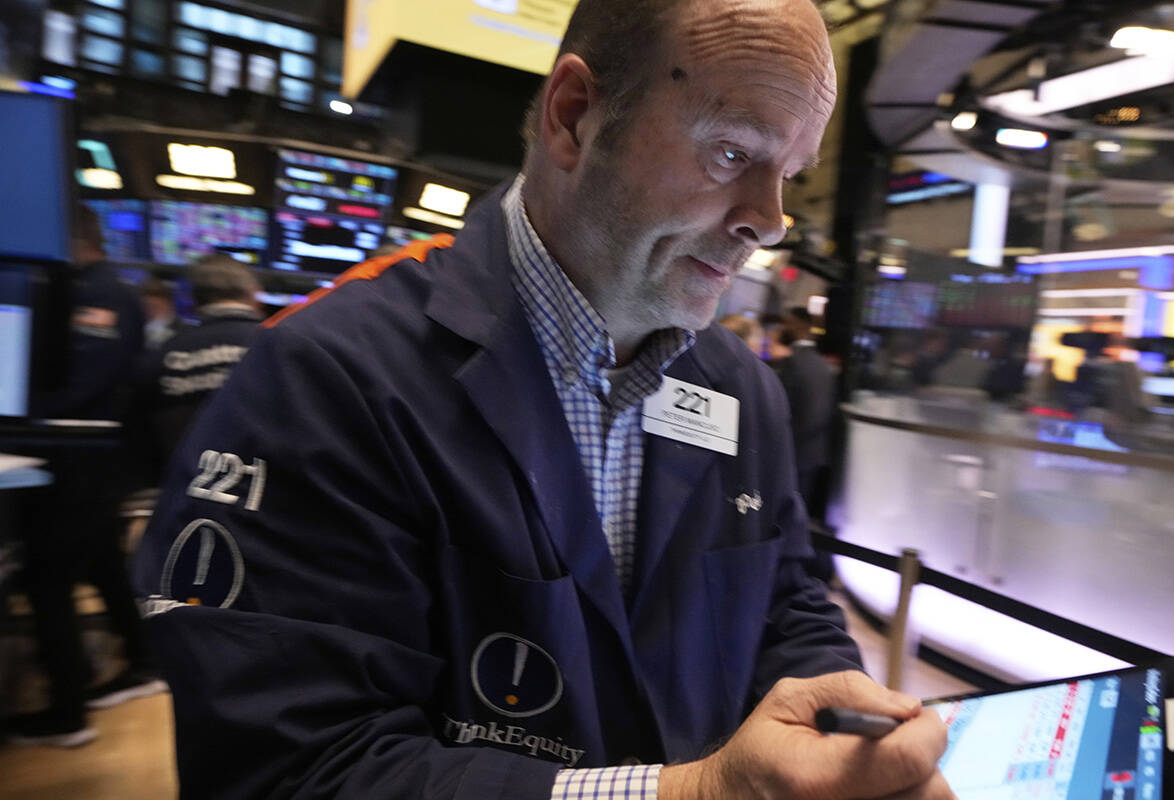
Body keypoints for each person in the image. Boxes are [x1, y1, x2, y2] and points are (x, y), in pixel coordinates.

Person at [133, 1, 953, 797]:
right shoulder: (330, 378)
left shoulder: (743, 389)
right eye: (733, 154)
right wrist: (691, 795)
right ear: (573, 116)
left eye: (793, 176)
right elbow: (295, 768)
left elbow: (785, 601)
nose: (770, 222)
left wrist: (847, 737)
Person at [8, 205, 165, 747]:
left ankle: (68, 710)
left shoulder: (102, 294)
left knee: (48, 580)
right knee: (102, 566)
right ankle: (143, 659)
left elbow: (82, 386)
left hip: (80, 462)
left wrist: (17, 418)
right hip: (88, 464)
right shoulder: (94, 289)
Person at [140, 254, 263, 478]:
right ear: (252, 293)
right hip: (257, 494)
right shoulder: (277, 346)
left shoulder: (166, 353)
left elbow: (138, 433)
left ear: (193, 300)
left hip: (179, 487)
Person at [773, 308, 836, 509]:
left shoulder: (795, 362)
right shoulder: (820, 363)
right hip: (813, 452)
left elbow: (785, 408)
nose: (783, 328)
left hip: (794, 452)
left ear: (798, 325)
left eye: (787, 323)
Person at [140, 276, 188, 351]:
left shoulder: (183, 331)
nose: (150, 311)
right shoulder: (137, 327)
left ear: (169, 303)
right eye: (147, 306)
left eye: (155, 307)